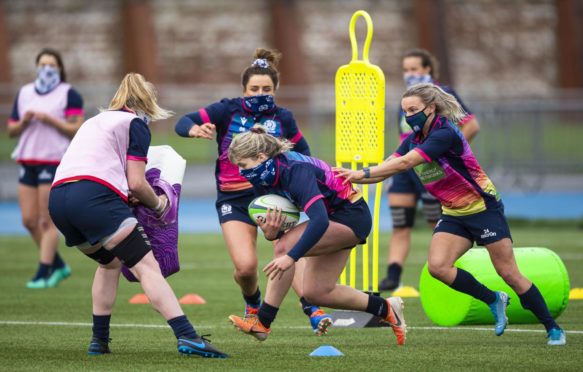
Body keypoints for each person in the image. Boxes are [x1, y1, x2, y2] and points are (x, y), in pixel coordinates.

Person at [336, 83, 566, 346]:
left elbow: (405, 163)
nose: (408, 116)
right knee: (438, 267)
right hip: (454, 213)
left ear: (431, 108)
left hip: (483, 209)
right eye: (404, 111)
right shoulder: (414, 139)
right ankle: (493, 299)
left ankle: (553, 328)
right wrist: (352, 178)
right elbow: (391, 164)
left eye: (413, 110)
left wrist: (360, 174)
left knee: (508, 272)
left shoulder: (444, 133)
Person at [48, 73, 227, 357]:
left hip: (58, 201)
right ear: (147, 104)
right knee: (147, 267)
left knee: (109, 263)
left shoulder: (93, 122)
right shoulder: (136, 124)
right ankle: (188, 336)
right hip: (94, 197)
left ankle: (99, 341)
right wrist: (158, 205)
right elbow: (136, 183)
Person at [175, 48, 332, 334]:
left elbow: (304, 152)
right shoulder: (226, 109)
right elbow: (182, 122)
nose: (260, 93)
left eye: (267, 89)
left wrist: (310, 180)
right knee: (246, 268)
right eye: (254, 89)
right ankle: (253, 305)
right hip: (234, 198)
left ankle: (312, 308)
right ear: (244, 90)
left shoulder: (283, 117)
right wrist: (194, 130)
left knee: (286, 249)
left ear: (276, 90)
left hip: (274, 194)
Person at [227, 125, 407, 346]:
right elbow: (279, 233)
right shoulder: (262, 175)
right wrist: (271, 233)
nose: (241, 171)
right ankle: (386, 308)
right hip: (332, 219)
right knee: (317, 293)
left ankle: (263, 322)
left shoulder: (295, 170)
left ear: (261, 156)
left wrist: (291, 256)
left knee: (285, 249)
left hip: (351, 217)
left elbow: (319, 220)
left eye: (243, 165)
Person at [380, 48, 480, 291]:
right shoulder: (406, 100)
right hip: (407, 171)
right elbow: (403, 140)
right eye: (405, 70)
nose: (409, 74)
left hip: (434, 173)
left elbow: (471, 125)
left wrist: (447, 153)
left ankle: (454, 271)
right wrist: (388, 167)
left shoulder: (443, 94)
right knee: (400, 223)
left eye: (414, 69)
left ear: (427, 70)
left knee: (438, 224)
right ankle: (393, 276)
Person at [7, 48, 84, 289]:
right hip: (28, 159)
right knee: (29, 220)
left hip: (52, 160)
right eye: (42, 64)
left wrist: (49, 119)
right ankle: (58, 264)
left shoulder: (68, 94)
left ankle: (42, 272)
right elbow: (11, 129)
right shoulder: (25, 93)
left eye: (52, 65)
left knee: (45, 220)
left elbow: (75, 128)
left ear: (59, 68)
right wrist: (25, 121)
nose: (46, 69)